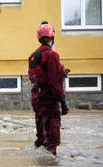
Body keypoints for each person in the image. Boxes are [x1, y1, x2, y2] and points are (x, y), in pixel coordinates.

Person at [28, 21, 69, 156]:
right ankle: (50, 160)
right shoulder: (52, 55)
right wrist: (63, 102)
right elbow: (55, 81)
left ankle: (40, 157)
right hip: (48, 97)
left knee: (41, 132)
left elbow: (38, 75)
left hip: (37, 96)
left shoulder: (34, 55)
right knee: (51, 133)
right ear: (52, 38)